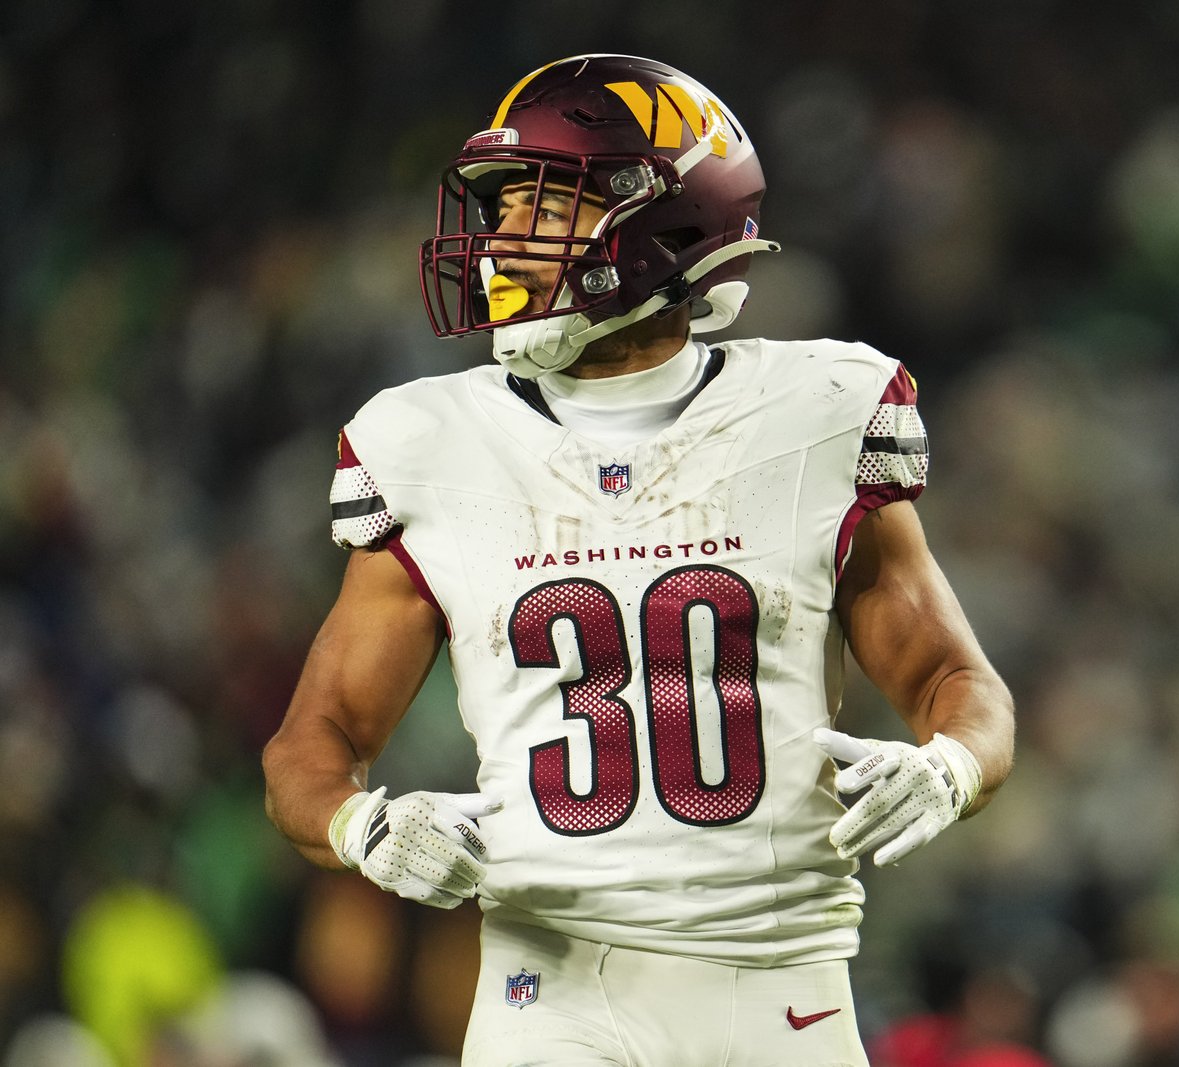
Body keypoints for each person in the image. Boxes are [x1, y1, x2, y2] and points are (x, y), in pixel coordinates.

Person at [262, 53, 1014, 1067]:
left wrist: (947, 765)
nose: (503, 242)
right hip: (551, 992)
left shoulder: (818, 412)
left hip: (783, 979)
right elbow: (312, 742)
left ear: (663, 221)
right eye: (503, 208)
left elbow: (957, 681)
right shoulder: (429, 441)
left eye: (543, 205)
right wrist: (365, 827)